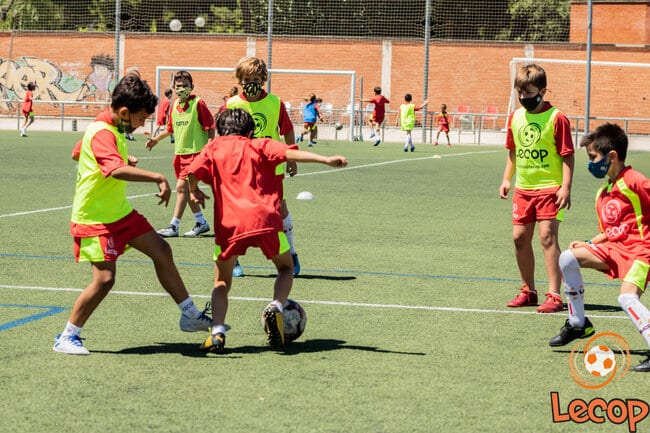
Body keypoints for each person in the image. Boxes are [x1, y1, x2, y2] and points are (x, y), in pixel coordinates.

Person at [53, 74, 211, 355]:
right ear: (124, 112)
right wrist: (156, 177)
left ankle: (189, 314)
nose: (141, 125)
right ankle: (67, 336)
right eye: (140, 119)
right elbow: (112, 169)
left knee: (161, 250)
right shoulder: (102, 132)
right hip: (95, 218)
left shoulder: (108, 125)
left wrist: (120, 157)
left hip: (119, 213)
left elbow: (78, 152)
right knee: (104, 279)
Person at [186, 108, 348, 353]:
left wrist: (193, 189)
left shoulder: (213, 147)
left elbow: (191, 172)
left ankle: (217, 332)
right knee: (285, 268)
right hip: (265, 220)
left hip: (229, 225)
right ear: (250, 131)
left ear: (219, 130)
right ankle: (276, 305)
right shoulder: (260, 145)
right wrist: (325, 159)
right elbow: (291, 153)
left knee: (221, 281)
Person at [549, 123, 650, 372]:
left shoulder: (635, 182)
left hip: (641, 253)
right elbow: (611, 232)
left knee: (626, 297)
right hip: (616, 250)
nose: (591, 164)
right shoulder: (604, 193)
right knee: (567, 258)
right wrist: (590, 243)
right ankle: (578, 323)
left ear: (612, 156)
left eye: (593, 157)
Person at [499, 63, 574, 313]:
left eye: (529, 93)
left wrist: (565, 187)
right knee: (519, 238)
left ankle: (554, 294)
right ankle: (528, 290)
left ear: (543, 90)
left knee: (547, 237)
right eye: (520, 93)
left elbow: (567, 156)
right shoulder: (516, 117)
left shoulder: (557, 118)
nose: (523, 98)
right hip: (524, 189)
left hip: (550, 189)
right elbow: (513, 152)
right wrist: (507, 179)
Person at [226, 56, 301, 277]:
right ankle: (234, 259)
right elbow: (224, 134)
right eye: (247, 79)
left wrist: (292, 157)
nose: (252, 82)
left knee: (279, 210)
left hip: (271, 166)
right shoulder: (232, 104)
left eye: (256, 78)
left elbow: (286, 130)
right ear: (240, 79)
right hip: (241, 167)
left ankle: (292, 253)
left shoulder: (275, 102)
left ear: (263, 79)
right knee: (238, 214)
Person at [145, 70, 215, 238]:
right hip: (180, 155)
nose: (181, 89)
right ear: (173, 88)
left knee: (181, 188)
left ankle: (174, 226)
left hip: (196, 155)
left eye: (185, 86)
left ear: (192, 87)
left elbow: (211, 128)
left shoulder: (199, 103)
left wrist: (209, 149)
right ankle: (201, 222)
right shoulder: (175, 106)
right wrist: (156, 140)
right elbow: (170, 129)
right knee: (189, 191)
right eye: (178, 86)